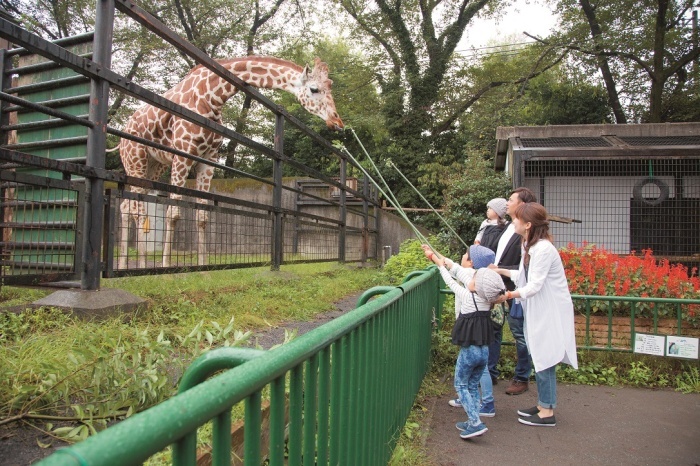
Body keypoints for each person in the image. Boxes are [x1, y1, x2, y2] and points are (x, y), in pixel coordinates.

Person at [492, 202, 578, 427]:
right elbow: (523, 274)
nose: (513, 222)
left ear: (528, 224)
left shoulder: (542, 249)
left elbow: (535, 285)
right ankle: (543, 404)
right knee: (540, 355)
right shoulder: (530, 246)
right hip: (539, 308)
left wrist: (508, 295)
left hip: (550, 310)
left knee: (546, 357)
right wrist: (500, 270)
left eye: (517, 219)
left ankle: (547, 413)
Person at [423, 244, 506, 439]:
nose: (472, 277)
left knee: (461, 385)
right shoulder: (487, 299)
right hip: (484, 352)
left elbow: (451, 282)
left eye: (474, 277)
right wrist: (438, 257)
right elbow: (462, 274)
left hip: (470, 352)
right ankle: (472, 419)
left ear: (477, 284)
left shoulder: (468, 298)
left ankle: (475, 423)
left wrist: (438, 265)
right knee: (472, 386)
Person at [488, 187, 537, 395]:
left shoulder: (525, 233)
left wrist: (501, 271)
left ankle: (522, 377)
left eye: (510, 199)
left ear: (522, 205)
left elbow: (526, 267)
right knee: (496, 328)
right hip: (502, 286)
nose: (506, 203)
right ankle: (491, 371)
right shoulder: (509, 227)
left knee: (520, 334)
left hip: (516, 291)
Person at [443, 245, 498, 418]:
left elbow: (451, 275)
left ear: (472, 262)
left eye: (466, 254)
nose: (463, 255)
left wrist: (438, 263)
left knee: (470, 376)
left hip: (470, 333)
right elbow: (451, 266)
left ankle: (482, 408)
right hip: (479, 335)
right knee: (476, 373)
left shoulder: (470, 276)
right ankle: (474, 400)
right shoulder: (481, 283)